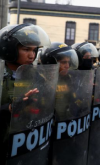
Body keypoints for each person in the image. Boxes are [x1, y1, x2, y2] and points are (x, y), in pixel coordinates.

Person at [0, 23, 51, 164]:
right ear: (9, 49)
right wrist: (9, 108)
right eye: (26, 49)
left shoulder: (37, 76)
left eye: (34, 50)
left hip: (29, 141)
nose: (32, 55)